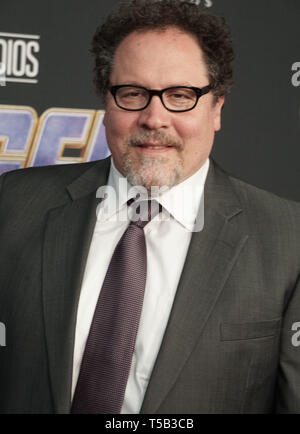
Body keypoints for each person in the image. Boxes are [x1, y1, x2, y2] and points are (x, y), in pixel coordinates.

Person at [0, 0, 300, 414]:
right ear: (106, 103)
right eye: (134, 93)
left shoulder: (289, 241)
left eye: (181, 95)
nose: (154, 117)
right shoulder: (14, 204)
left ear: (217, 108)